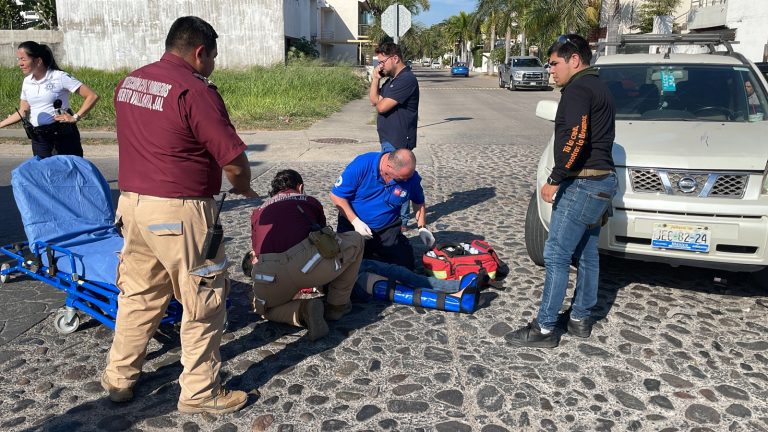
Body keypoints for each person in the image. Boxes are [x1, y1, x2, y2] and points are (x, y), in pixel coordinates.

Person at [101, 16, 258, 414]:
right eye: (213, 58)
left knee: (138, 295)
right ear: (200, 52)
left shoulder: (130, 82)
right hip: (180, 211)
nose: (213, 66)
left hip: (132, 207)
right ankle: (200, 392)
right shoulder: (194, 90)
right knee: (202, 300)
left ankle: (119, 379)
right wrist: (242, 187)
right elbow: (233, 159)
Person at [507, 34, 618, 348]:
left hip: (583, 183)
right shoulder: (599, 86)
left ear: (575, 60)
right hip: (602, 182)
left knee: (555, 254)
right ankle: (580, 318)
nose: (550, 69)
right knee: (586, 252)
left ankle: (544, 329)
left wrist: (555, 179)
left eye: (555, 63)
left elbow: (577, 137)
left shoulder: (579, 89)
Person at [248, 169, 364, 341]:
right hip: (309, 266)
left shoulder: (258, 212)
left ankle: (303, 310)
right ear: (300, 187)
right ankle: (336, 305)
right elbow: (324, 237)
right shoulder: (309, 201)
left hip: (271, 275)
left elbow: (256, 252)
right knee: (356, 239)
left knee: (266, 309)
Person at [330, 148, 434, 271]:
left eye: (408, 177)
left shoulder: (410, 177)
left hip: (387, 228)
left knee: (405, 267)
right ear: (388, 167)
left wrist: (422, 227)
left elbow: (418, 201)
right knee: (345, 268)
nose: (406, 180)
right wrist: (355, 221)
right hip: (353, 226)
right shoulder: (362, 165)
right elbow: (336, 195)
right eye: (402, 178)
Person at [0, 41, 99, 158]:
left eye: (23, 59)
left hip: (62, 136)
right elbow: (23, 111)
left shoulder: (59, 77)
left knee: (68, 172)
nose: (20, 64)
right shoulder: (27, 81)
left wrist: (75, 117)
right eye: (19, 59)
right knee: (44, 173)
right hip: (39, 138)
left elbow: (92, 96)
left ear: (38, 61)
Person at [369, 42, 420, 230]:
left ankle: (401, 221)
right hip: (388, 137)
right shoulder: (391, 80)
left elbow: (381, 107)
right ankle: (397, 218)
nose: (380, 66)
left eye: (382, 61)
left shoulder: (406, 80)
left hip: (399, 138)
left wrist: (379, 95)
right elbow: (374, 100)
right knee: (392, 178)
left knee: (399, 179)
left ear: (395, 58)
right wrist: (375, 79)